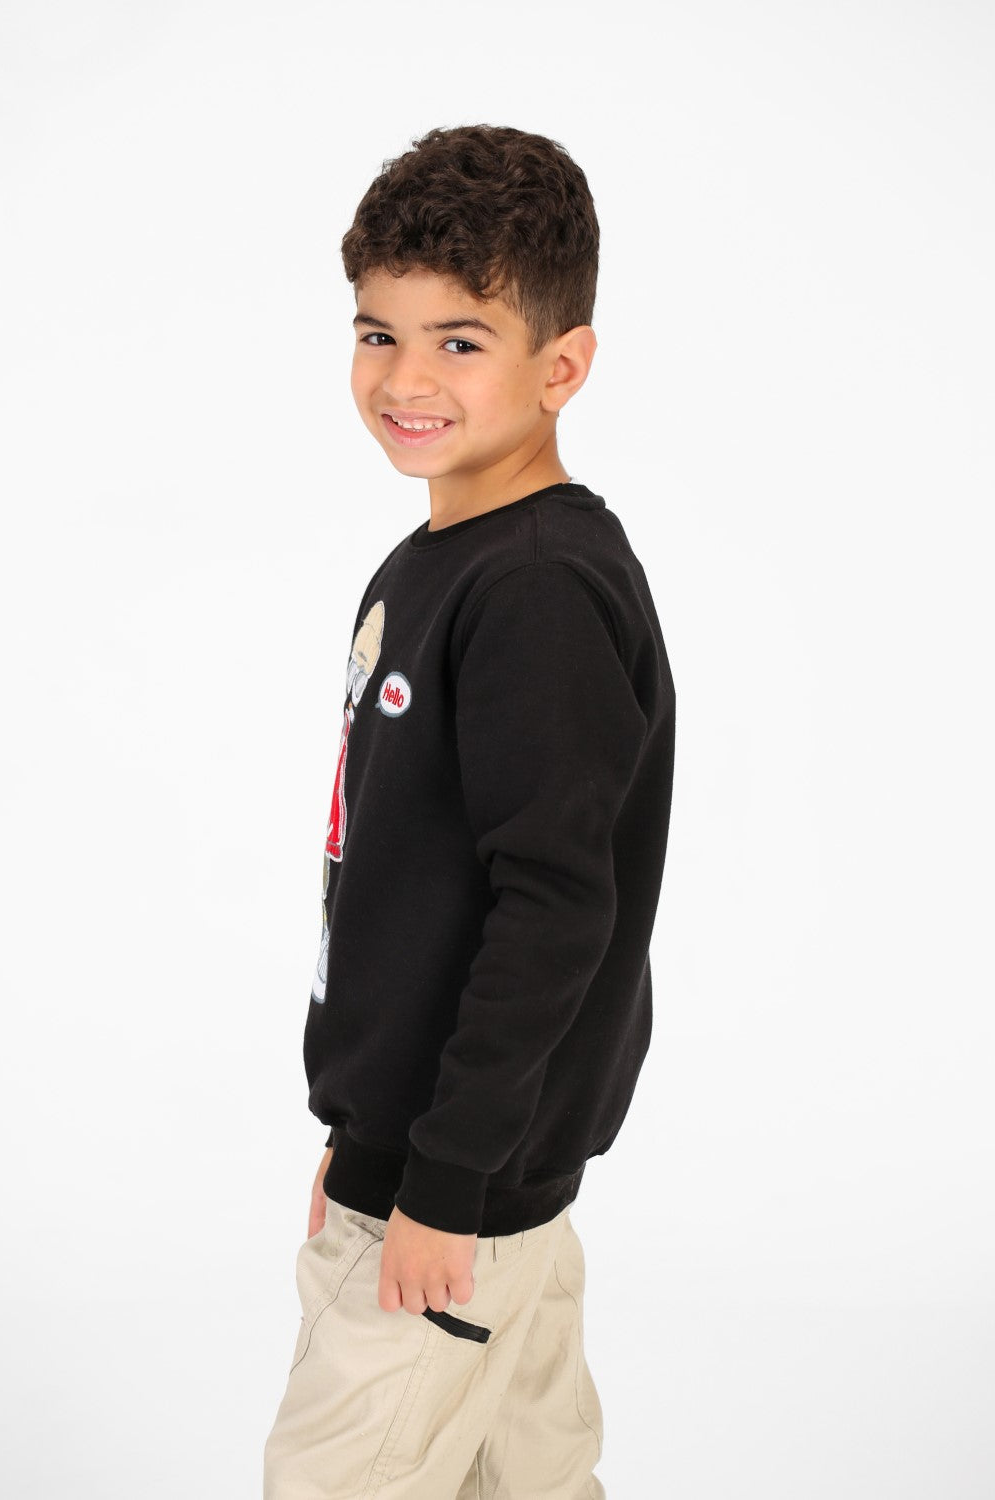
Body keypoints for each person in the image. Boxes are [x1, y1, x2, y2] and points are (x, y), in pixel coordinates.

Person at [263, 123, 677, 1500]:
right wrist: (362, 1136)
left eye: (460, 339)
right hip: (466, 1172)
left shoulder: (537, 589)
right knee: (528, 1481)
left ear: (562, 365)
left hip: (455, 1195)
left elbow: (556, 906)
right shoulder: (439, 558)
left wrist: (435, 1177)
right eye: (377, 333)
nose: (405, 378)